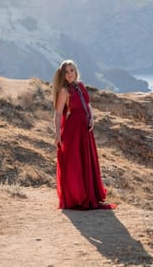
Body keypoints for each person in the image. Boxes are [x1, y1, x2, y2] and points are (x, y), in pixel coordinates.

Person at [52, 59, 116, 210]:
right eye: (66, 72)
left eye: (71, 70)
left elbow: (87, 104)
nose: (69, 74)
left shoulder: (80, 86)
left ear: (76, 71)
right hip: (73, 130)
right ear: (63, 75)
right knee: (74, 163)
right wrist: (57, 134)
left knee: (86, 161)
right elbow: (58, 113)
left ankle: (89, 193)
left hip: (85, 129)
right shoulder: (64, 90)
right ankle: (76, 197)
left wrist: (92, 119)